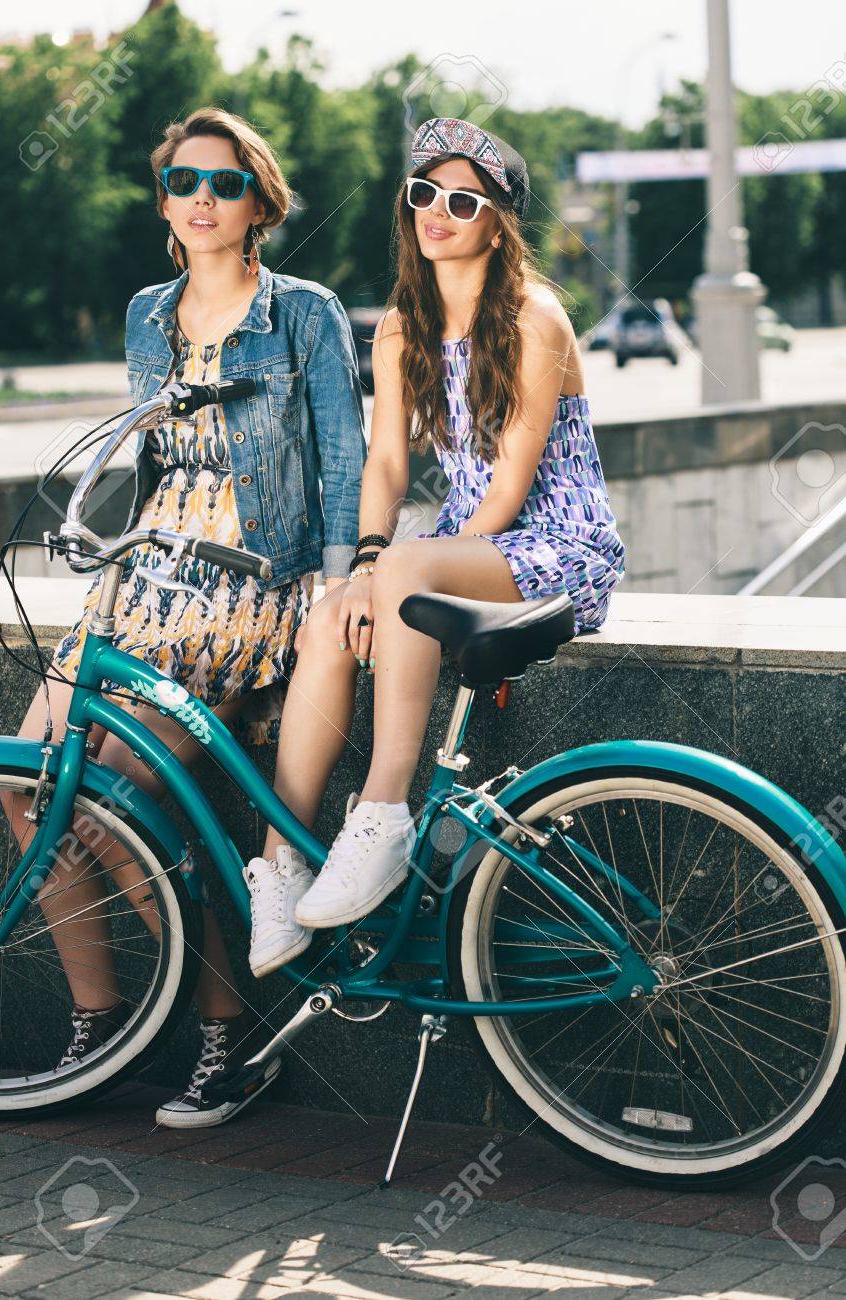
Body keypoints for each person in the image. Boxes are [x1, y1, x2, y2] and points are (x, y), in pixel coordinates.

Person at [8, 106, 366, 1128]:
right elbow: (151, 452)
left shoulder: (303, 311)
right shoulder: (144, 313)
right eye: (181, 182)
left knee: (132, 799)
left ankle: (226, 1036)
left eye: (222, 183)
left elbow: (341, 458)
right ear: (163, 199)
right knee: (29, 788)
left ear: (258, 201)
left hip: (245, 579)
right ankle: (100, 1023)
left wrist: (331, 587)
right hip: (143, 576)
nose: (200, 200)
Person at [240, 116, 625, 1017]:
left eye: (464, 201)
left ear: (498, 222)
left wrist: (403, 570)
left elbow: (514, 485)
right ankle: (282, 863)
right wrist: (365, 566)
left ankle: (382, 816)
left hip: (558, 546)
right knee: (332, 616)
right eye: (424, 195)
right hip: (455, 550)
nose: (438, 213)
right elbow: (385, 464)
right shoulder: (404, 326)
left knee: (400, 574)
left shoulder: (536, 314)